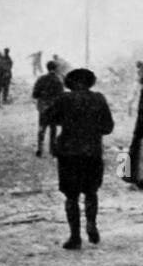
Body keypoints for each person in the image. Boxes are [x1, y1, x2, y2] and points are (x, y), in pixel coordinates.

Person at [43, 68, 114, 250]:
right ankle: (91, 223)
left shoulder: (64, 99)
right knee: (91, 192)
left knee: (71, 196)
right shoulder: (99, 99)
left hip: (69, 153)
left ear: (72, 84)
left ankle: (74, 236)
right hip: (92, 152)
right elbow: (108, 127)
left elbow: (47, 118)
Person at [32, 60, 66, 158]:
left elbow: (35, 94)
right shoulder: (58, 80)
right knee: (53, 128)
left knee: (42, 128)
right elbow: (61, 96)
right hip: (54, 108)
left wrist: (42, 97)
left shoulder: (41, 79)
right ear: (55, 69)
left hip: (43, 107)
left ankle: (40, 148)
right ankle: (52, 150)